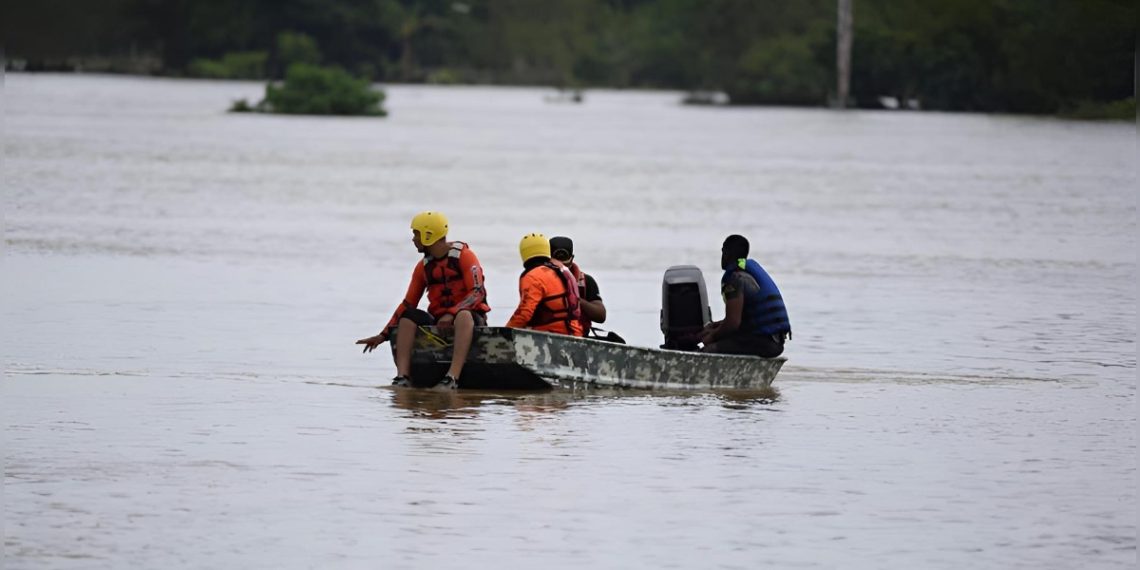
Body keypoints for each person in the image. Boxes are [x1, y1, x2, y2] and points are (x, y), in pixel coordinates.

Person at [356, 211, 491, 388]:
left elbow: (477, 292)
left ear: (429, 235)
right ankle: (403, 378)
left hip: (468, 320)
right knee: (409, 315)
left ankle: (452, 378)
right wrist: (383, 335)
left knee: (464, 315)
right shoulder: (423, 267)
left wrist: (451, 314)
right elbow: (407, 304)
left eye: (416, 234)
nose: (413, 239)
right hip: (439, 321)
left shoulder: (465, 256)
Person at [701, 234, 791, 358]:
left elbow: (733, 323)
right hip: (775, 341)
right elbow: (742, 320)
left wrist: (712, 336)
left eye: (723, 251)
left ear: (726, 252)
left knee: (709, 349)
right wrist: (715, 326)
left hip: (764, 343)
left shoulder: (734, 278)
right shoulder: (748, 270)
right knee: (719, 336)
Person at [506, 233, 584, 337]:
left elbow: (525, 313)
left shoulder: (533, 276)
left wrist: (505, 332)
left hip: (551, 336)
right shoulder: (562, 271)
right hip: (575, 334)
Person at [549, 236, 606, 335]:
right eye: (556, 258)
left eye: (564, 258)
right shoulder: (539, 281)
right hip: (546, 335)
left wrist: (575, 298)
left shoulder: (585, 281)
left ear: (572, 258)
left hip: (578, 338)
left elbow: (600, 316)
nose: (560, 265)